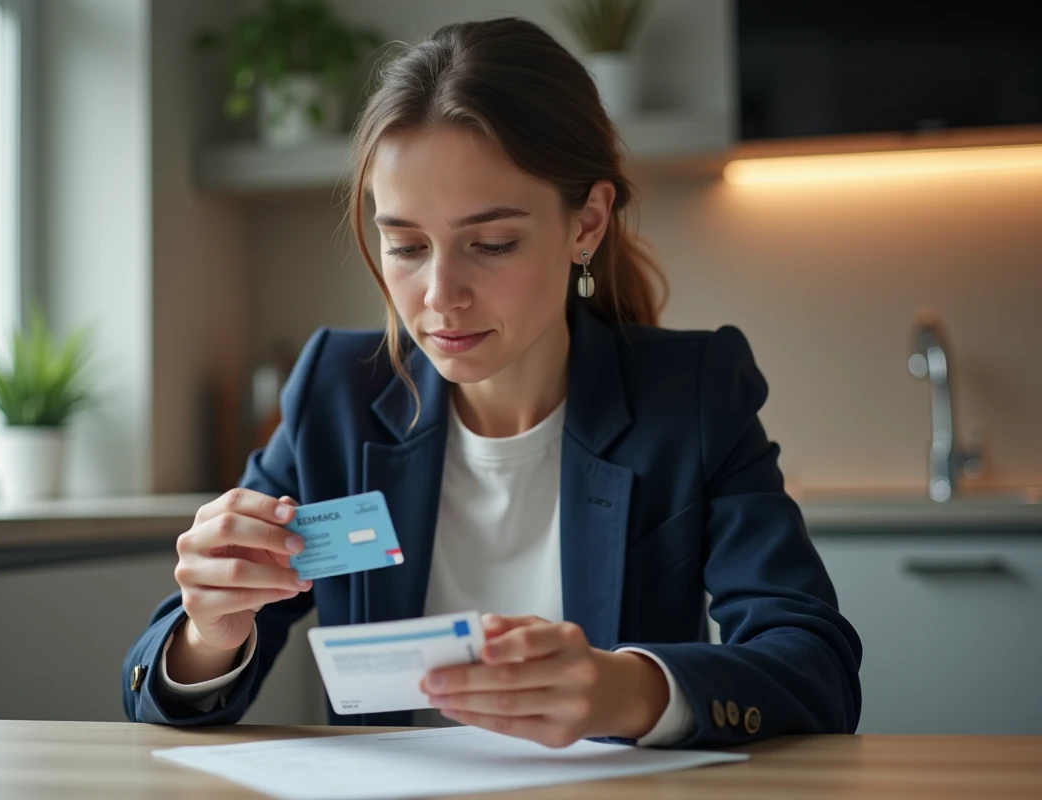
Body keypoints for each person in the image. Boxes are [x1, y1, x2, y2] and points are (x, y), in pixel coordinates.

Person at [122, 16, 861, 749]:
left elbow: (814, 665)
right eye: (407, 246)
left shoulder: (691, 398)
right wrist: (209, 631)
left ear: (587, 223)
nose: (441, 294)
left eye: (492, 244)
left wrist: (623, 690)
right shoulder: (335, 397)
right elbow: (165, 691)